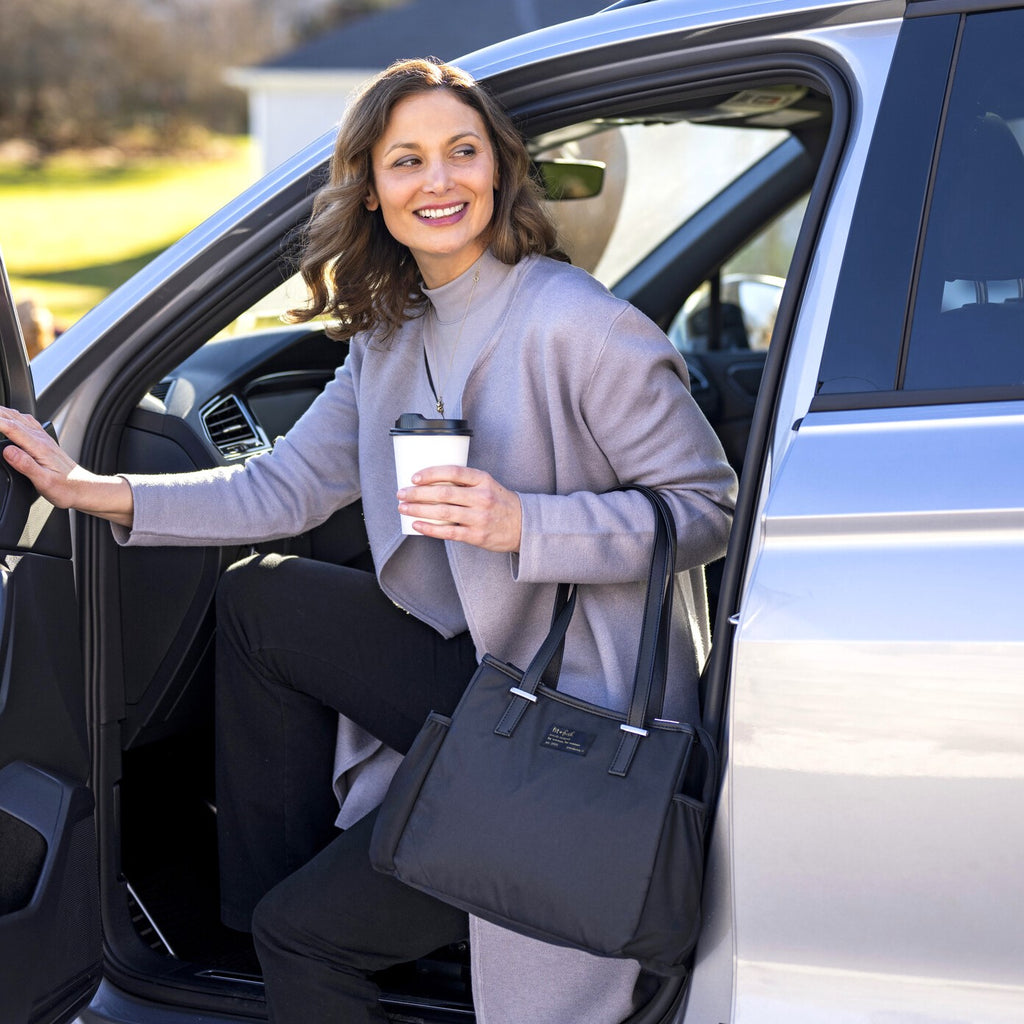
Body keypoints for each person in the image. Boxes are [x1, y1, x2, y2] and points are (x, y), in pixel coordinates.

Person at [0, 58, 737, 1024]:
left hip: (568, 709)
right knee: (263, 598)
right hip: (474, 663)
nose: (439, 181)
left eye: (462, 153)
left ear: (501, 170)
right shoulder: (391, 335)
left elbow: (707, 506)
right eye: (407, 161)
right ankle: (264, 911)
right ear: (373, 189)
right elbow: (286, 486)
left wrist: (530, 525)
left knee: (307, 940)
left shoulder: (583, 329)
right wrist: (95, 490)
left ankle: (314, 924)